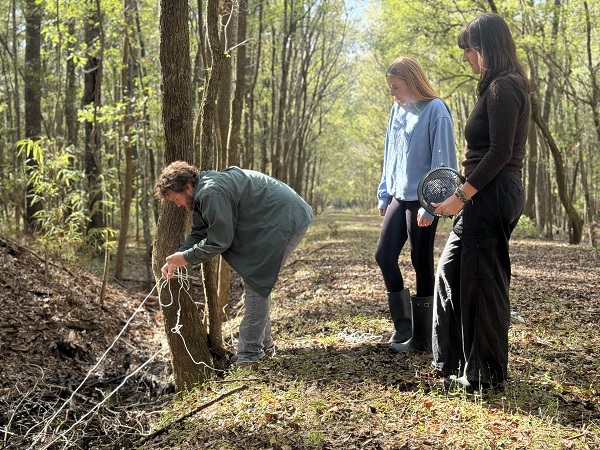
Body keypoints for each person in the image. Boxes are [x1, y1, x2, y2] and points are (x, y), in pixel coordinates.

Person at [430, 13, 530, 392]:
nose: (467, 58)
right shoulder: (495, 87)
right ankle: (452, 363)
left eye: (470, 50)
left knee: (482, 283)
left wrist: (462, 194)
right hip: (481, 193)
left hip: (491, 194)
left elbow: (501, 152)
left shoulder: (505, 87)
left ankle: (484, 377)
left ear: (486, 48)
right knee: (451, 272)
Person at [156, 161, 313, 366]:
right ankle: (265, 348)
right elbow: (200, 232)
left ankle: (249, 356)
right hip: (277, 218)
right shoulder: (202, 193)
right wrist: (178, 256)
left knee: (256, 282)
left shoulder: (211, 192)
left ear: (188, 187)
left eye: (176, 199)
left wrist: (185, 258)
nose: (177, 205)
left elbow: (219, 241)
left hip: (285, 219)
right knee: (256, 283)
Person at [375, 57, 457, 353]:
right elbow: (390, 153)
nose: (393, 93)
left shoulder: (436, 110)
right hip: (399, 195)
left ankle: (424, 339)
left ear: (412, 81)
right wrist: (384, 192)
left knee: (421, 262)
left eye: (396, 87)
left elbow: (445, 163)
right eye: (391, 88)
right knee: (384, 256)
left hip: (423, 200)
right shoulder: (397, 109)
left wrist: (431, 205)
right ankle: (404, 327)